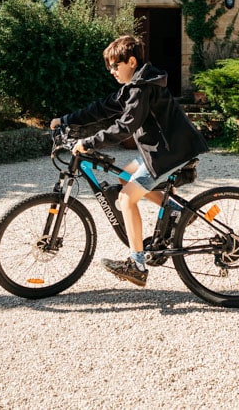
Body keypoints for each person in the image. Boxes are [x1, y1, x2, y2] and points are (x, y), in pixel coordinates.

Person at [50, 34, 209, 287]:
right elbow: (103, 107)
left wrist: (88, 142)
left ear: (131, 61)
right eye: (109, 66)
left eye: (115, 65)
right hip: (162, 151)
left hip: (168, 154)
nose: (111, 71)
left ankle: (136, 265)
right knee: (125, 174)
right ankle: (178, 211)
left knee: (126, 198)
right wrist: (67, 120)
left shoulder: (141, 88)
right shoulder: (136, 86)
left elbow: (125, 127)